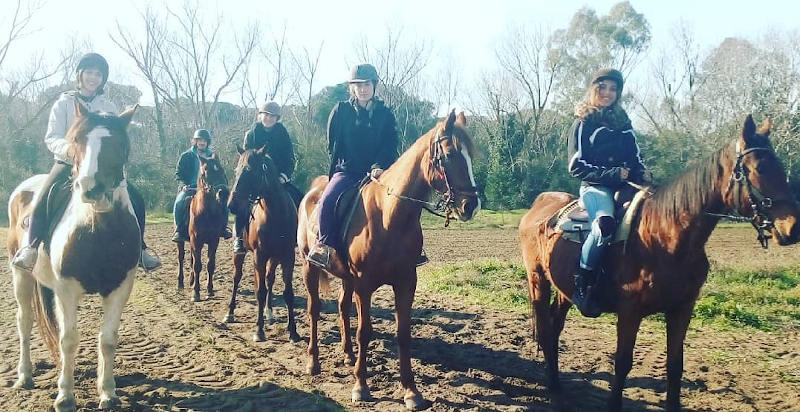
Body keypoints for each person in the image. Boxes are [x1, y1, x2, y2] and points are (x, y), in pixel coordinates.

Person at [11, 52, 161, 272]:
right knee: (45, 194)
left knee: (135, 197)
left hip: (102, 167)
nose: (93, 78)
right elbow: (51, 137)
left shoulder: (108, 106)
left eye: (98, 74)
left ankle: (141, 250)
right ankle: (31, 247)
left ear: (103, 79)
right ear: (80, 75)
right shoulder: (64, 102)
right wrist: (72, 150)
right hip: (68, 162)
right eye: (89, 72)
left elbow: (114, 136)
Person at [567, 68, 650, 317]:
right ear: (594, 89)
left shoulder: (624, 123)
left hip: (627, 187)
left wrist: (642, 173)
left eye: (613, 89)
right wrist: (613, 174)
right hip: (595, 188)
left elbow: (635, 158)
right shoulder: (582, 122)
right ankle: (582, 283)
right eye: (602, 87)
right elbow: (575, 166)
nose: (608, 93)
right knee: (603, 226)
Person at [306, 63, 400, 270]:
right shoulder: (341, 111)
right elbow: (333, 145)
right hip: (348, 171)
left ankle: (411, 249)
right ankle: (324, 246)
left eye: (366, 84)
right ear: (352, 88)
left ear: (374, 86)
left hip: (379, 173)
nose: (363, 89)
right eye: (358, 85)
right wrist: (346, 165)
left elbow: (390, 145)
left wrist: (378, 166)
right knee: (328, 200)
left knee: (402, 200)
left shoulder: (386, 114)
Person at [232, 101, 301, 254]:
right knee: (243, 203)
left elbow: (289, 157)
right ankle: (239, 238)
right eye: (266, 115)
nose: (269, 118)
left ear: (277, 119)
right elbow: (246, 159)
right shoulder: (251, 134)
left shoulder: (282, 134)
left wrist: (285, 175)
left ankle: (298, 235)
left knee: (300, 199)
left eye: (272, 116)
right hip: (254, 179)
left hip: (277, 179)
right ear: (260, 115)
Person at [172, 128, 232, 243]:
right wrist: (183, 185)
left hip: (210, 189)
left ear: (207, 142)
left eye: (204, 140)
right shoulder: (186, 156)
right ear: (195, 141)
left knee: (224, 203)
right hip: (190, 187)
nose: (202, 142)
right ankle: (179, 229)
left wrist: (222, 185)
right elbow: (178, 174)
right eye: (199, 140)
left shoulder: (213, 156)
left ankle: (224, 228)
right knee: (179, 202)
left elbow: (220, 173)